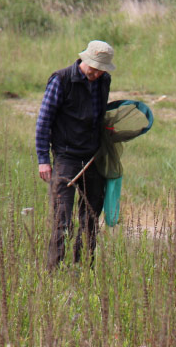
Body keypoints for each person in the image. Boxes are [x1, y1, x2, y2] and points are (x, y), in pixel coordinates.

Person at [36, 40, 115, 270]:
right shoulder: (61, 80)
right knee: (61, 220)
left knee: (90, 219)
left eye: (102, 70)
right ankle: (54, 272)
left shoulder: (104, 81)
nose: (97, 73)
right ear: (84, 60)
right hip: (66, 157)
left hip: (94, 157)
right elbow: (44, 122)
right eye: (94, 68)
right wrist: (43, 160)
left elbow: (99, 115)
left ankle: (83, 269)